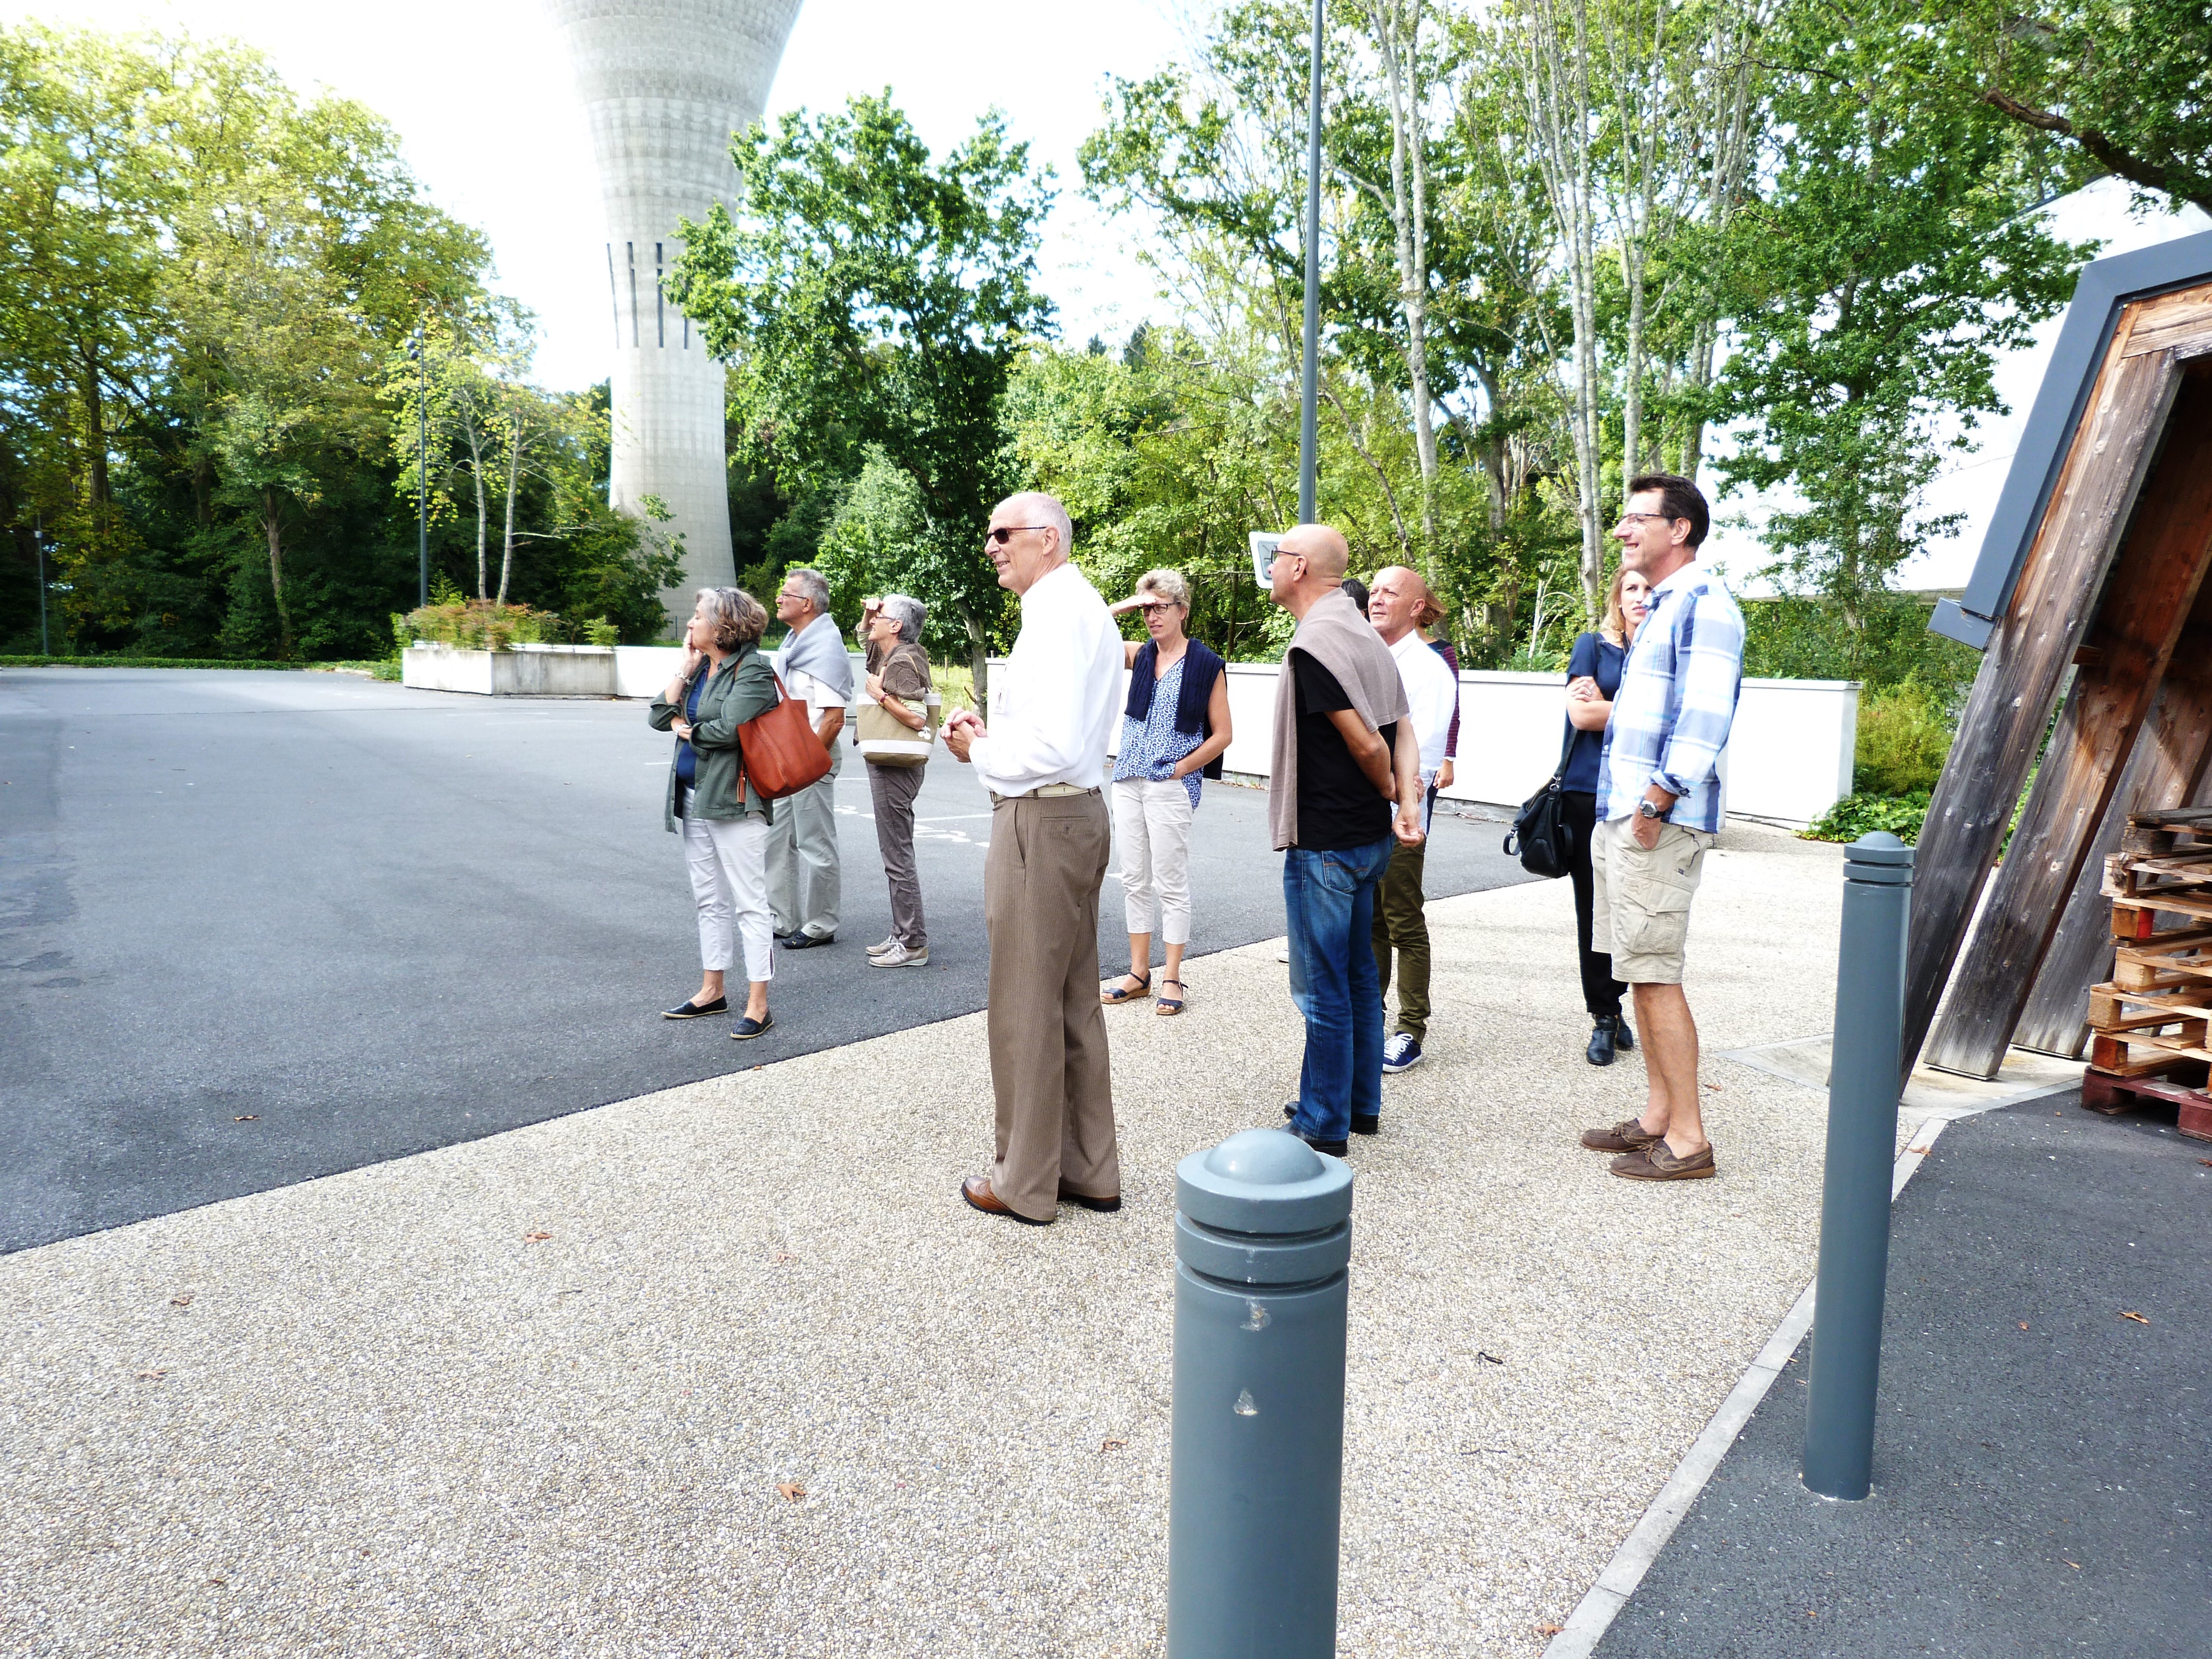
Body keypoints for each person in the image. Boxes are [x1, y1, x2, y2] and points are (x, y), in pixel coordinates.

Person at [944, 493, 1124, 1225]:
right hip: (1076, 812)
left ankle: (1024, 1183)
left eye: (1002, 533)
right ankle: (1089, 1169)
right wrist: (997, 740)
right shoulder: (1085, 609)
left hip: (1042, 821)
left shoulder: (1054, 614)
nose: (991, 545)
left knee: (1024, 1006)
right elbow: (1064, 738)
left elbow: (1046, 747)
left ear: (1046, 539)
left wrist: (976, 747)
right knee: (1072, 1002)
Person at [1577, 473, 1745, 1182]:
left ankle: (1689, 1141)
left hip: (1655, 821)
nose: (1622, 531)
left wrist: (1656, 802)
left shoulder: (1705, 604)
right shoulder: (1666, 607)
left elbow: (1704, 718)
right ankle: (1656, 1116)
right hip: (1626, 817)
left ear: (1679, 529)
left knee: (1657, 976)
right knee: (1638, 974)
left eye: (1637, 519)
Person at [1268, 525, 1425, 1157]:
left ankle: (1323, 1121)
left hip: (1327, 842)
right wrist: (1405, 801)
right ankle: (1361, 1104)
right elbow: (1404, 723)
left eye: (1276, 558)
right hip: (1366, 843)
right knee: (1360, 975)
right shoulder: (1363, 630)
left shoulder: (1318, 642)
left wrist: (1392, 788)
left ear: (1300, 567)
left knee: (1322, 986)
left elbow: (1368, 740)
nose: (1270, 568)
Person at [649, 587, 781, 1040]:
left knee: (750, 903)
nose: (690, 624)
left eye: (698, 617)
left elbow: (729, 730)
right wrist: (683, 671)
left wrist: (683, 729)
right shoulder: (701, 669)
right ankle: (712, 990)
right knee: (709, 899)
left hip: (734, 800)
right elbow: (656, 714)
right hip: (692, 797)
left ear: (724, 626)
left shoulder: (754, 670)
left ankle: (759, 1004)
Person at [1101, 569, 1234, 1016]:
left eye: (1160, 607)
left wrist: (1178, 770)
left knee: (1170, 882)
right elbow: (1085, 639)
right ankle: (1140, 973)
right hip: (1128, 779)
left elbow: (1222, 735)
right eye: (1145, 609)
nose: (1152, 617)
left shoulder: (1206, 665)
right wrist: (1121, 606)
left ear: (1183, 611)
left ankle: (1172, 976)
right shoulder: (1139, 656)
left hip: (1170, 785)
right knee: (1134, 879)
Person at [1367, 566, 1460, 1075]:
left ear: (1417, 607)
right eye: (1374, 590)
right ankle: (1372, 1018)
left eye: (1390, 593)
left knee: (1403, 918)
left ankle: (1411, 1030)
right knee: (1373, 921)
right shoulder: (1372, 655)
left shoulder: (1427, 669)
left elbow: (1417, 760)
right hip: (1363, 812)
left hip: (1399, 815)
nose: (1377, 599)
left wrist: (1394, 796)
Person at [1563, 566, 1652, 1066]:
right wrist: (1648, 713)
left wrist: (1611, 705)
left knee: (1633, 908)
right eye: (1631, 589)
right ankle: (1603, 1013)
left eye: (1649, 589)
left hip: (1641, 797)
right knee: (1593, 908)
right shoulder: (1592, 648)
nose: (1640, 597)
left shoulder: (1660, 656)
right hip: (1585, 793)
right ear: (1618, 599)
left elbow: (1603, 712)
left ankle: (1624, 1004)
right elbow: (1582, 716)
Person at [767, 567, 850, 949]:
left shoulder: (825, 647)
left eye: (786, 593)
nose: (779, 598)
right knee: (777, 838)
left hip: (811, 757)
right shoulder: (794, 643)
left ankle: (820, 924)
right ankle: (781, 919)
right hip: (788, 755)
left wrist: (806, 761)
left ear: (807, 603)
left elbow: (834, 719)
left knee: (815, 842)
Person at [857, 594, 934, 969]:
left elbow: (919, 719)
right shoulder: (890, 652)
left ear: (897, 626)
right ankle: (903, 933)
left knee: (897, 855)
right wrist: (869, 612)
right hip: (889, 762)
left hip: (896, 766)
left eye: (881, 616)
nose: (873, 621)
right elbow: (864, 639)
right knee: (895, 853)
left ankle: (913, 941)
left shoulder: (903, 661)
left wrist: (882, 697)